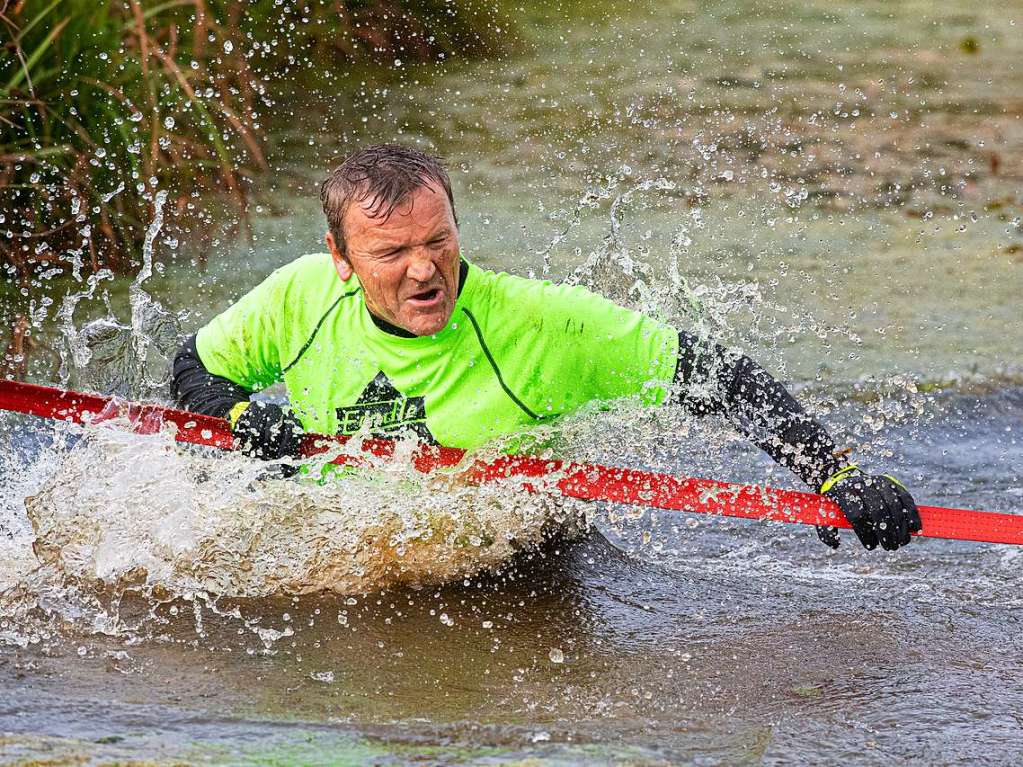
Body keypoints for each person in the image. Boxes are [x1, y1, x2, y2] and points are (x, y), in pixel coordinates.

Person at [171, 144, 921, 552]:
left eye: (438, 241)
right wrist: (237, 414)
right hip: (342, 548)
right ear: (340, 256)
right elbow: (195, 367)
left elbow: (718, 376)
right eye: (393, 252)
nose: (425, 269)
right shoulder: (301, 294)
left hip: (510, 566)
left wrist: (836, 475)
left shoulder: (539, 323)